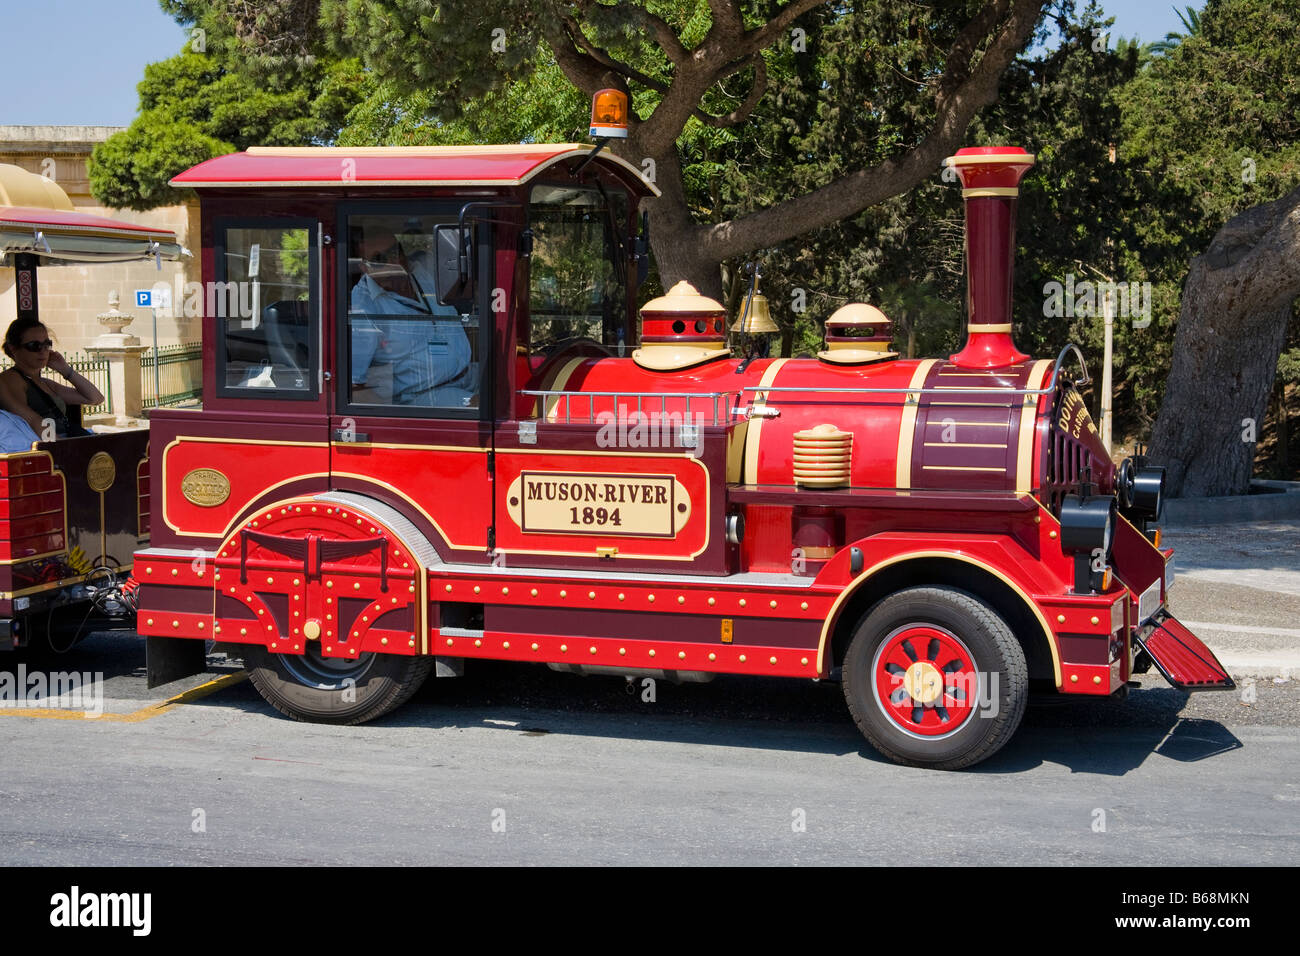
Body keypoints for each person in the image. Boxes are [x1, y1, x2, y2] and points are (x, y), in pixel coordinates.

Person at [349, 224, 477, 407]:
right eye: (380, 258)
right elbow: (355, 385)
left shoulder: (424, 268)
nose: (393, 260)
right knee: (482, 410)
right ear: (364, 267)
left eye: (396, 251)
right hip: (426, 395)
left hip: (468, 372)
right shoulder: (364, 305)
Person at [0, 318, 101, 439]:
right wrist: (62, 447)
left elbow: (95, 398)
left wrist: (65, 369)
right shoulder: (11, 379)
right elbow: (29, 421)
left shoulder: (45, 383)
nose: (43, 351)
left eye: (47, 344)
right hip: (47, 447)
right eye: (34, 346)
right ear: (13, 348)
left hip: (62, 442)